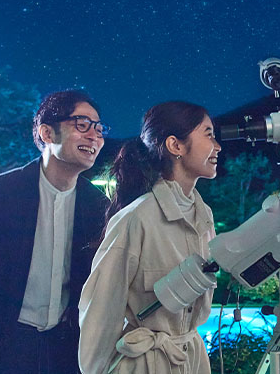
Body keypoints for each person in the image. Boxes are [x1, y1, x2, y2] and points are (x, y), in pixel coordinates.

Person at [0, 89, 110, 374]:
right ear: (47, 133)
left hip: (65, 349)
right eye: (82, 125)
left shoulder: (98, 207)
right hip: (3, 347)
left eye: (99, 129)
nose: (94, 136)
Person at [77, 101, 221, 374]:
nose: (218, 146)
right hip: (145, 364)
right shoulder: (137, 218)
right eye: (208, 134)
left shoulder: (204, 217)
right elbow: (100, 312)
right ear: (175, 146)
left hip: (191, 359)